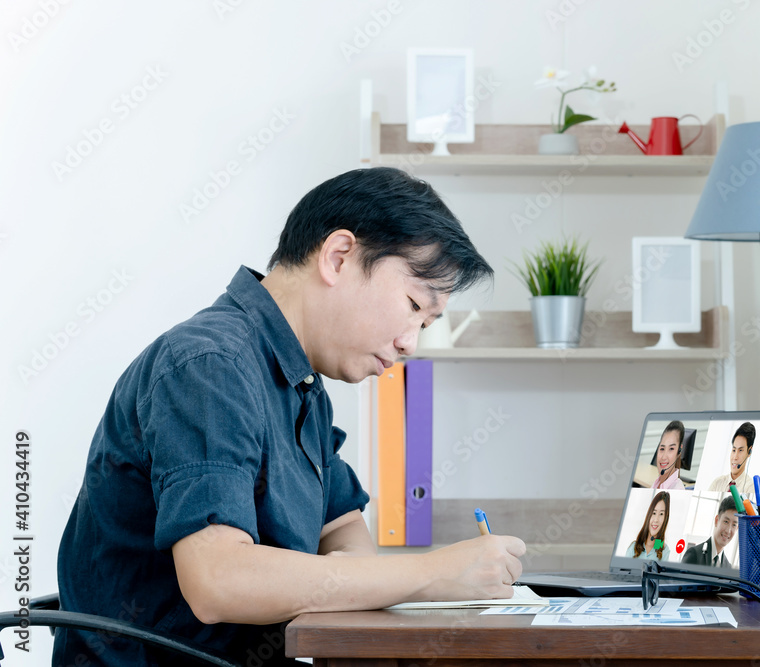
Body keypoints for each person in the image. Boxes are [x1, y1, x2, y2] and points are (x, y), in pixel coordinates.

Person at [53, 167, 526, 667]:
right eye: (413, 306)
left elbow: (344, 533)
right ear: (339, 256)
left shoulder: (300, 382)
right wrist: (432, 573)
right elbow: (219, 581)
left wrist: (349, 573)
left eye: (426, 324)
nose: (411, 342)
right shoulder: (212, 366)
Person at [681, 495, 738, 568]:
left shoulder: (728, 567)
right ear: (717, 520)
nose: (728, 531)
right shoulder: (694, 554)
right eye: (726, 522)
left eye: (734, 525)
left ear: (737, 528)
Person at [707, 421, 756, 498]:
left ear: (749, 451)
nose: (735, 457)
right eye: (733, 450)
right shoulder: (717, 483)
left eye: (740, 450)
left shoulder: (750, 487)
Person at [625, 491, 669, 559]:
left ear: (665, 519)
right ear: (649, 515)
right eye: (654, 513)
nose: (656, 520)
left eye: (661, 514)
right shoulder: (634, 547)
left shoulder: (664, 551)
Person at [650, 421, 685, 490]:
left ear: (679, 450)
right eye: (662, 449)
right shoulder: (657, 483)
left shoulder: (677, 490)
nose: (664, 457)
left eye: (671, 449)